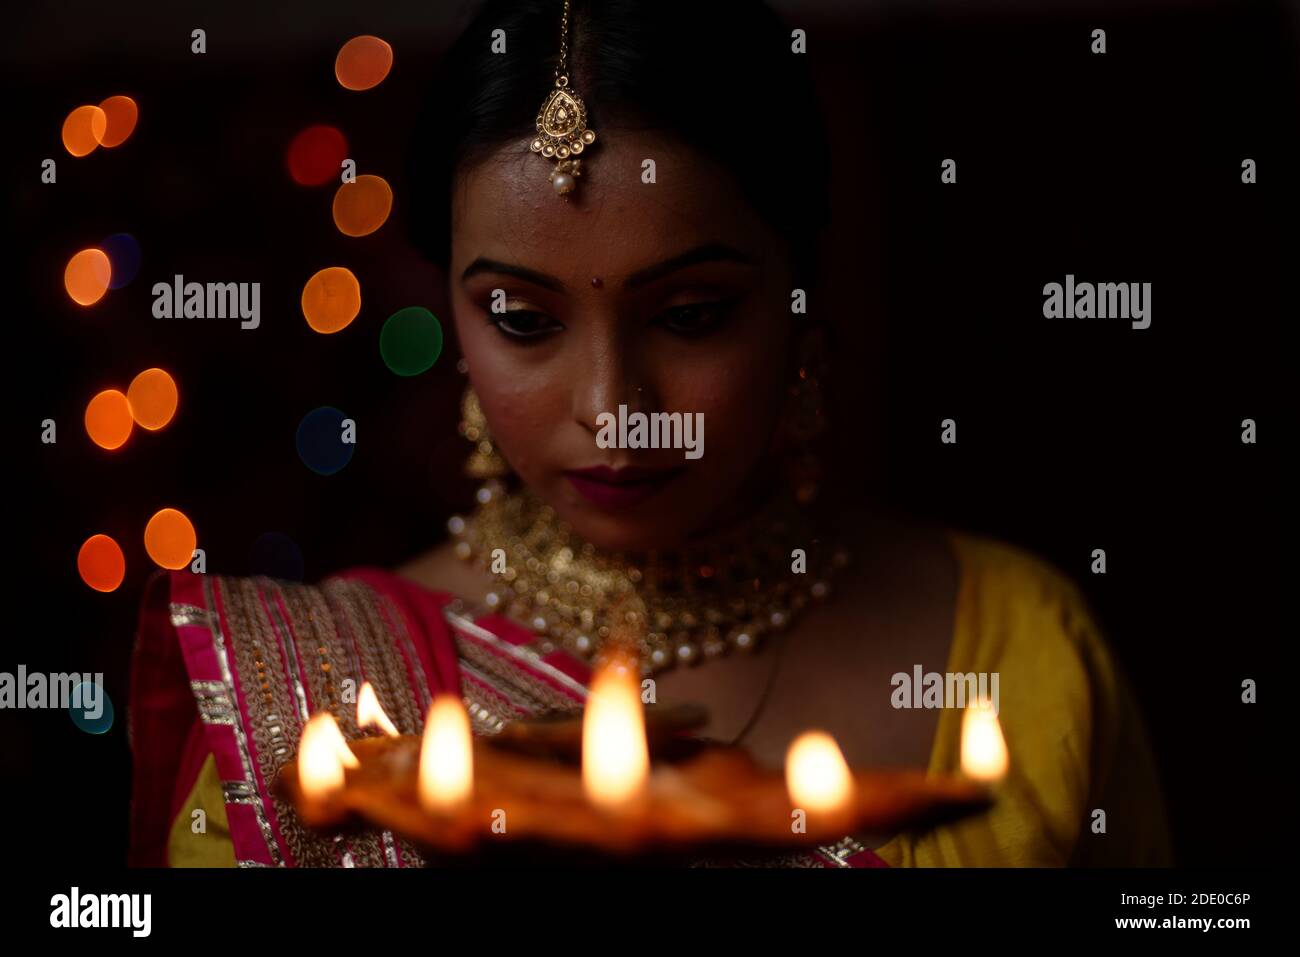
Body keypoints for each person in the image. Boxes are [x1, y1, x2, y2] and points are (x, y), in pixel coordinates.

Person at [128, 0, 1170, 868]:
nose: (610, 402)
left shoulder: (1019, 649)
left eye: (690, 314)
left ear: (801, 302)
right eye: (524, 322)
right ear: (450, 307)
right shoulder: (299, 698)